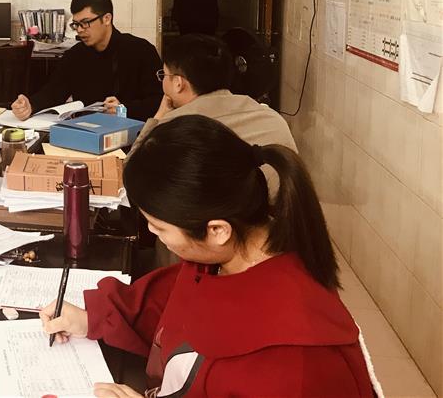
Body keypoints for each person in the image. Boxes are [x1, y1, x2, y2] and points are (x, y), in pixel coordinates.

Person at [41, 115, 374, 396]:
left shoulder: (294, 361)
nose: (153, 234)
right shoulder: (225, 257)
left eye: (159, 226)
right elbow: (172, 308)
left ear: (217, 230)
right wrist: (93, 318)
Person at [130, 34, 296, 156]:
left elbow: (132, 174)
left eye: (164, 75)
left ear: (178, 83)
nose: (162, 81)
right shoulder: (272, 117)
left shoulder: (173, 130)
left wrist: (159, 116)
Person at [11, 0, 162, 121]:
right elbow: (53, 92)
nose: (80, 30)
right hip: (86, 130)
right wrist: (30, 105)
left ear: (107, 18)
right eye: (76, 24)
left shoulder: (140, 50)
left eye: (85, 23)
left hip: (131, 131)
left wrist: (124, 109)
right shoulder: (75, 55)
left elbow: (159, 101)